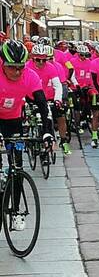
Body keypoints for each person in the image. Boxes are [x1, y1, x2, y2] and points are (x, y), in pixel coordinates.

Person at [0, 40, 53, 231]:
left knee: (17, 164)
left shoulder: (30, 76)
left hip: (13, 119)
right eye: (12, 67)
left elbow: (42, 105)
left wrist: (47, 131)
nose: (17, 72)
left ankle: (16, 210)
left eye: (20, 67)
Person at [27, 44, 70, 157]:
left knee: (59, 115)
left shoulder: (51, 67)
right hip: (30, 97)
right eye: (38, 60)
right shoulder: (27, 67)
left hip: (46, 97)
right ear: (33, 58)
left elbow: (58, 85)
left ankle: (63, 141)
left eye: (44, 60)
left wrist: (57, 100)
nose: (41, 62)